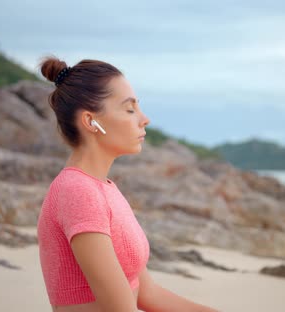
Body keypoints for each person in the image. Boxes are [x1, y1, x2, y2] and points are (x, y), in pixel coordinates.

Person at [36, 56, 219, 312]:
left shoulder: (104, 188)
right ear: (91, 122)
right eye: (130, 109)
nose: (144, 119)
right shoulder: (77, 191)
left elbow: (147, 293)